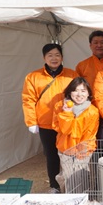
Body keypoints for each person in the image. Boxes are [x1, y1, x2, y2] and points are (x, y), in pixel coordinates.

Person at [22, 43, 78, 193]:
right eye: (50, 55)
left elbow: (79, 95)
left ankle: (72, 184)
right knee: (51, 155)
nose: (54, 58)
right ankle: (54, 186)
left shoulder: (71, 75)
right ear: (44, 58)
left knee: (69, 154)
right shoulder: (33, 77)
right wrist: (31, 121)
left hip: (67, 122)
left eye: (57, 55)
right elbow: (28, 100)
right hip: (46, 123)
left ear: (62, 57)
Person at [52, 77, 100, 192]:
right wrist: (67, 114)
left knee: (80, 176)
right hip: (65, 148)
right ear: (69, 92)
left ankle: (83, 197)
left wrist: (82, 151)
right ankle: (67, 196)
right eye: (75, 90)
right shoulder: (59, 106)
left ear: (88, 93)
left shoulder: (92, 111)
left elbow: (90, 133)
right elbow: (62, 129)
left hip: (83, 149)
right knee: (66, 176)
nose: (79, 94)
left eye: (83, 91)